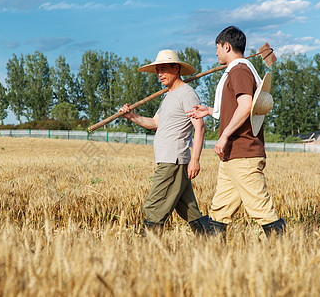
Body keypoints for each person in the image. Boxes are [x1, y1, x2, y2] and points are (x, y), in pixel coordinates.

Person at [186, 26, 286, 237]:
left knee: (260, 208)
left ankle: (285, 252)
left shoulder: (239, 70)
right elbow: (236, 109)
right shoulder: (239, 70)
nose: (215, 53)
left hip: (243, 152)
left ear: (227, 46)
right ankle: (213, 258)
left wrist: (223, 136)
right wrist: (210, 111)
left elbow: (246, 106)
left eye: (217, 48)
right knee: (220, 210)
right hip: (232, 155)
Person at [118, 49, 209, 235]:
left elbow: (200, 126)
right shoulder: (168, 95)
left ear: (176, 68)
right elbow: (154, 123)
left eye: (163, 69)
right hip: (169, 160)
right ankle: (212, 242)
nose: (159, 74)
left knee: (154, 206)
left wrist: (195, 159)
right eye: (157, 70)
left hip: (173, 160)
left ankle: (147, 252)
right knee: (189, 210)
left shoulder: (187, 94)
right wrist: (131, 116)